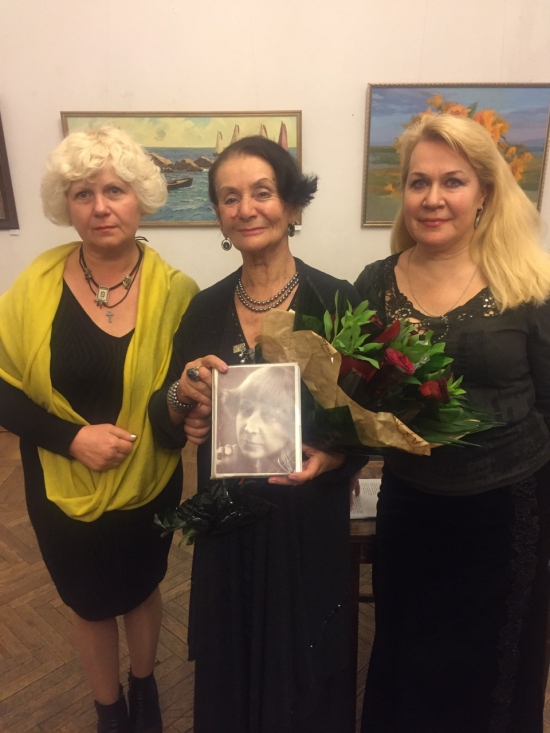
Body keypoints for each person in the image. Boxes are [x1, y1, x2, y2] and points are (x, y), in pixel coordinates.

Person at [148, 136, 366, 733]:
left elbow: (367, 418)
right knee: (232, 670)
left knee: (309, 670)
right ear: (219, 216)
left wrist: (336, 460)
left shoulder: (337, 300)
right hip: (227, 526)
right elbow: (165, 418)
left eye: (262, 193)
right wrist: (183, 398)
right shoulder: (204, 309)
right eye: (229, 197)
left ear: (292, 205)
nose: (246, 208)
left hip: (306, 522)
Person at [355, 113, 550, 733]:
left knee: (496, 665)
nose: (433, 198)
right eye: (419, 182)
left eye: (453, 181)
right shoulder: (376, 285)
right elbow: (355, 394)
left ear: (484, 192)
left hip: (508, 513)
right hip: (411, 506)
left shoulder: (528, 284)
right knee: (408, 653)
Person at [0, 126, 199, 733]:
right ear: (67, 205)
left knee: (142, 588)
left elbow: (176, 400)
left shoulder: (179, 294)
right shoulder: (35, 286)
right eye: (82, 194)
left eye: (115, 190)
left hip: (149, 481)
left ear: (141, 198)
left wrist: (187, 413)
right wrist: (71, 439)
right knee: (88, 604)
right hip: (59, 482)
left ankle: (144, 687)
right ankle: (108, 710)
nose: (100, 207)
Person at [215, 365, 298, 476]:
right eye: (246, 410)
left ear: (292, 422)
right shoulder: (238, 462)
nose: (250, 428)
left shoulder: (300, 473)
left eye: (270, 416)